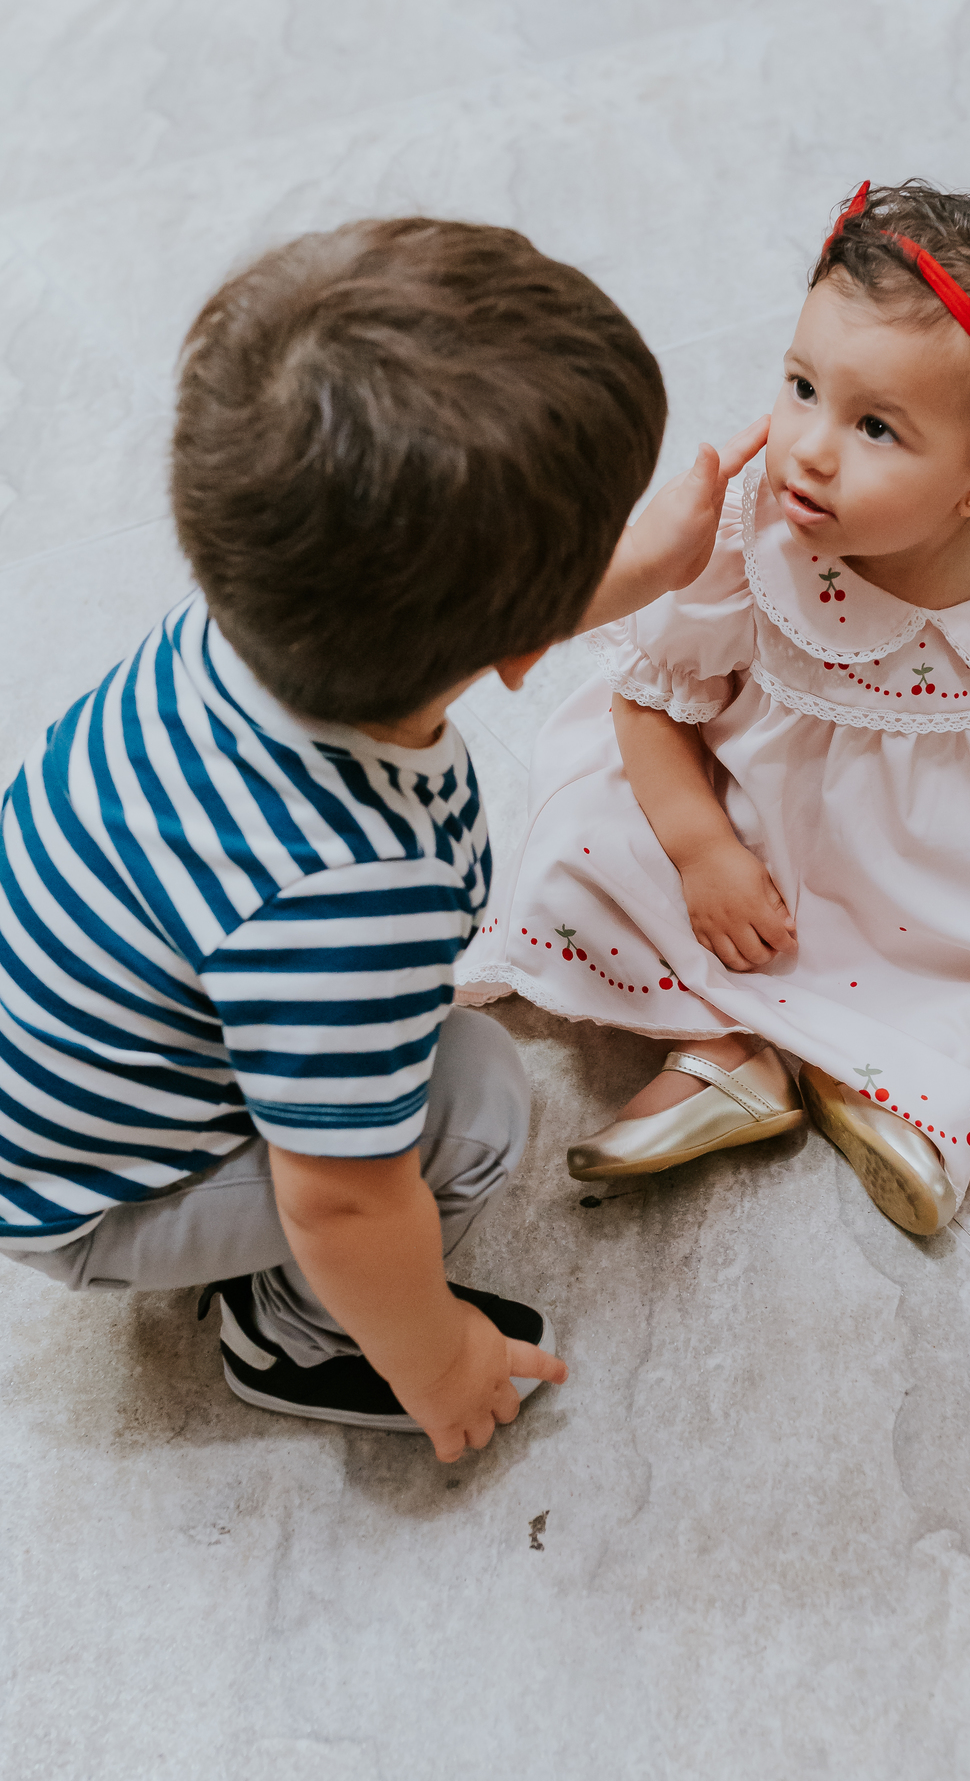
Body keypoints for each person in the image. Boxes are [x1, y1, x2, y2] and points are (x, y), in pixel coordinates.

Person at [0, 216, 767, 1460]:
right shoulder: (352, 888)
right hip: (96, 1200)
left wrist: (637, 569)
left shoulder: (250, 617)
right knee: (476, 1104)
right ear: (520, 644)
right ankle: (293, 1340)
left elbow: (467, 608)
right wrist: (442, 1358)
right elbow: (347, 1203)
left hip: (58, 1079)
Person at [459, 180, 970, 1237]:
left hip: (944, 863)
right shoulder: (749, 541)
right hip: (754, 818)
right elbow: (652, 705)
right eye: (802, 385)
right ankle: (734, 1051)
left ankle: (879, 1082)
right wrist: (703, 850)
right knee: (593, 849)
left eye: (876, 426)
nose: (810, 445)